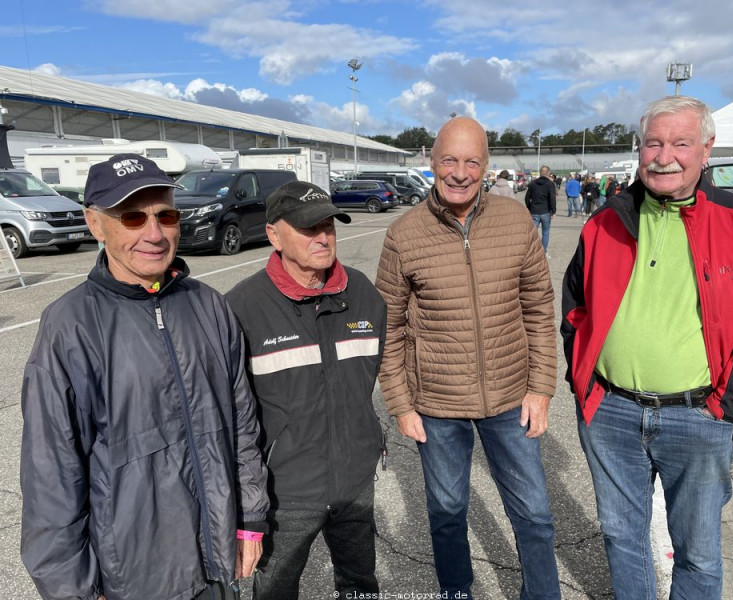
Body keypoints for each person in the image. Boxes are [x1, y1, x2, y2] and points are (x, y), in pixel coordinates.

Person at [561, 96, 733, 600]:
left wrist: (729, 401)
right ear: (640, 148)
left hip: (700, 415)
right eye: (653, 142)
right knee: (623, 539)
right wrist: (584, 382)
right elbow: (574, 308)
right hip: (611, 414)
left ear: (706, 149)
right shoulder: (604, 221)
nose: (664, 155)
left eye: (681, 143)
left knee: (698, 551)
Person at [20, 153, 270, 600]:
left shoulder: (209, 305)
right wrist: (71, 588)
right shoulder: (69, 326)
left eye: (166, 215)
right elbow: (51, 475)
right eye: (132, 217)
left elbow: (242, 425)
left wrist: (250, 517)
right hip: (136, 579)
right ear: (96, 224)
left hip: (218, 565)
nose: (154, 234)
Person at [376, 117, 561, 600]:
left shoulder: (515, 220)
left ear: (486, 165)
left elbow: (539, 309)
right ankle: (456, 592)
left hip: (509, 395)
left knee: (535, 515)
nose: (459, 172)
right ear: (432, 162)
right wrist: (401, 404)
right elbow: (388, 327)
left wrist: (540, 388)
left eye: (471, 161)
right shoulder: (403, 234)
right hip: (436, 405)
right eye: (449, 160)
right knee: (447, 512)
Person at [225, 181, 387, 599]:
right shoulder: (241, 308)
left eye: (329, 225)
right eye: (308, 228)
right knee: (276, 590)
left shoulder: (364, 295)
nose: (323, 236)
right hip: (285, 491)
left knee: (361, 585)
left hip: (354, 480)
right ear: (274, 234)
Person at [524, 165, 557, 255]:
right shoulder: (550, 184)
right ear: (548, 173)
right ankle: (543, 252)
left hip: (534, 211)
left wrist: (529, 208)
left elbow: (527, 198)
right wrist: (553, 211)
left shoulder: (533, 183)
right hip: (546, 212)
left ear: (540, 173)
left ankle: (531, 251)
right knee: (545, 233)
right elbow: (552, 198)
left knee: (533, 233)